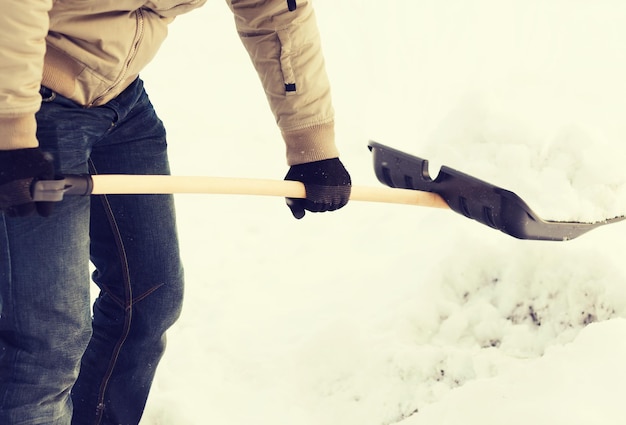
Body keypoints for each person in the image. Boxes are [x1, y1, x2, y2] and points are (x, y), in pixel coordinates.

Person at [0, 1, 351, 424]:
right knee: (48, 340)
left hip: (119, 98)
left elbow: (276, 9)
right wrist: (11, 130)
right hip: (23, 91)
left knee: (148, 299)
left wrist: (312, 140)